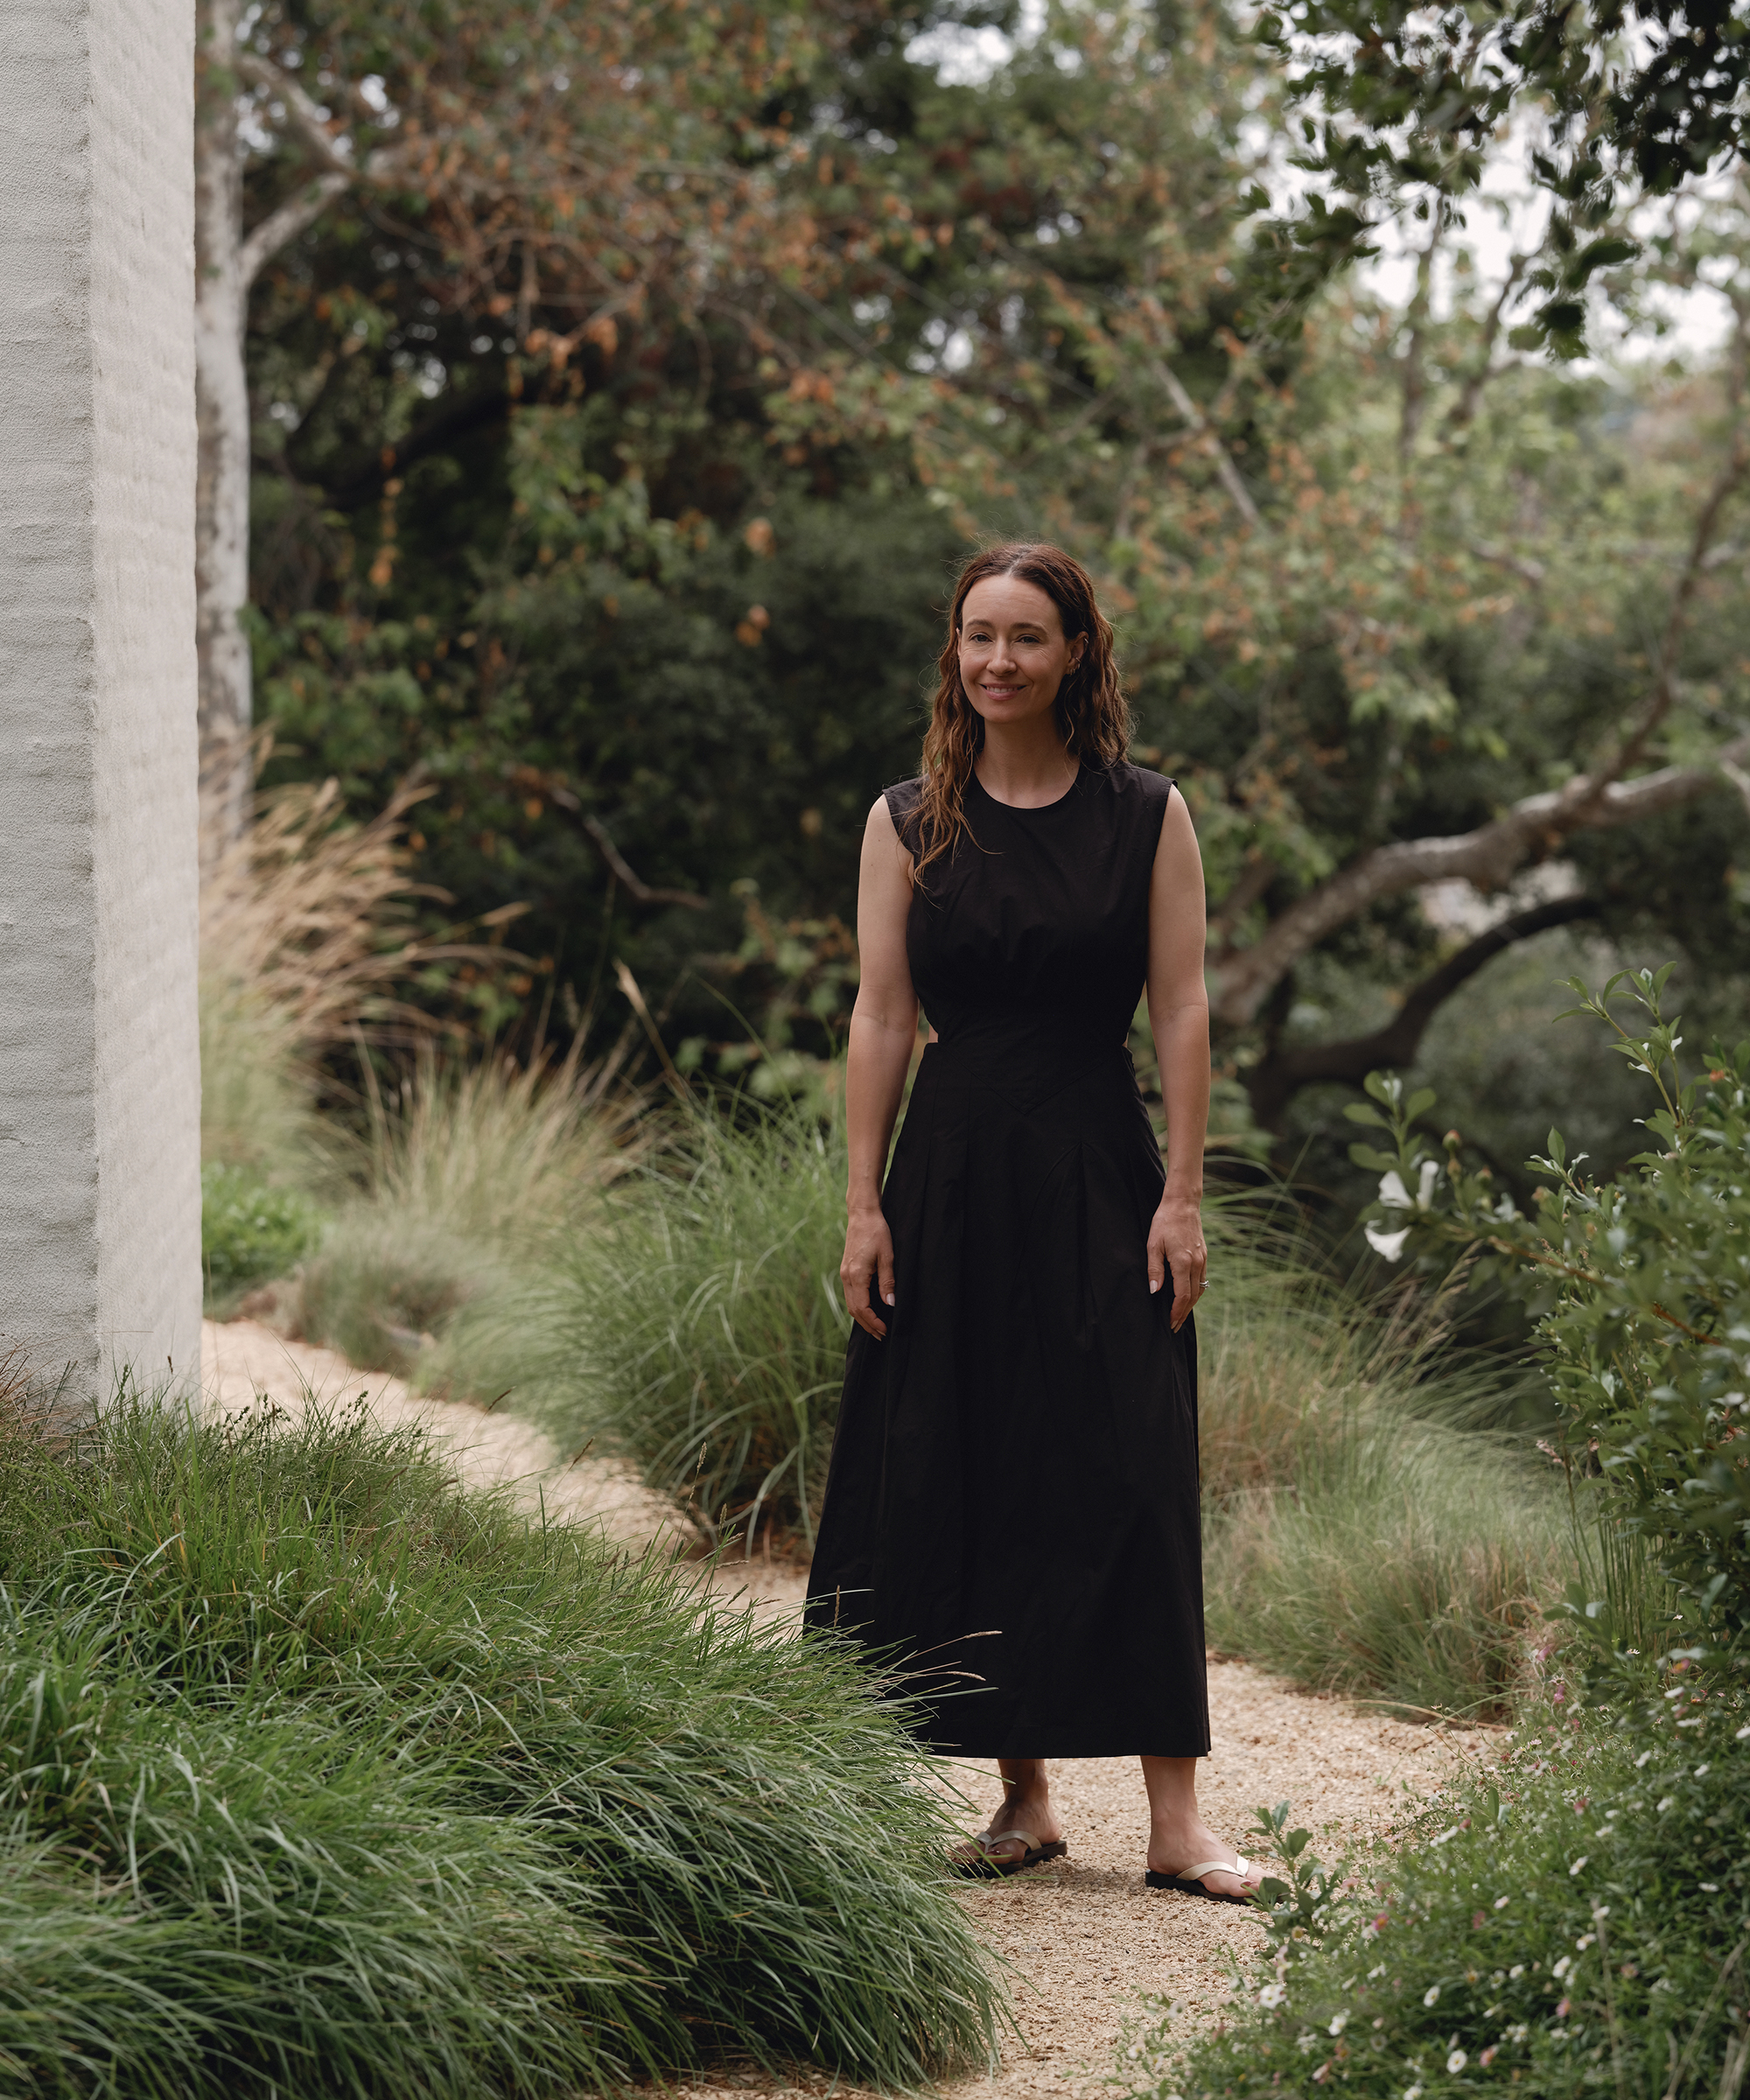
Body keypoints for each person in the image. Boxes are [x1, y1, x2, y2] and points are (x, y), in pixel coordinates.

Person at [803, 542, 1260, 1903]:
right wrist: (862, 1205)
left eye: (1027, 637)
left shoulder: (1147, 814)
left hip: (1102, 1167)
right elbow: (882, 1014)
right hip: (948, 1176)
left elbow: (1182, 1006)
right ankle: (1025, 1799)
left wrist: (1183, 1195)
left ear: (1076, 655)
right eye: (978, 635)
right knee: (976, 1453)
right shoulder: (906, 821)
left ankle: (1176, 1823)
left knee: (1133, 1459)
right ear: (954, 652)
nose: (998, 660)